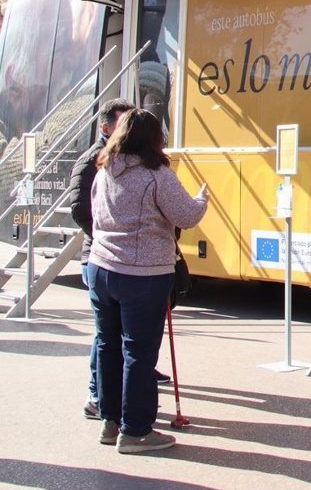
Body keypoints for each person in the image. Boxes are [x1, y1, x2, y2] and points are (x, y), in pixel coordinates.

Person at [87, 108, 207, 454]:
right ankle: (136, 431)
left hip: (101, 267)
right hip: (143, 274)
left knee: (108, 345)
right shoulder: (157, 175)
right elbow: (186, 215)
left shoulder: (105, 170)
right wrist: (202, 199)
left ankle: (110, 421)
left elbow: (95, 215)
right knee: (138, 353)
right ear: (155, 139)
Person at [66, 98, 135, 421]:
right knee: (105, 334)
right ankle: (96, 396)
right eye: (123, 123)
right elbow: (79, 208)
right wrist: (106, 234)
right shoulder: (93, 159)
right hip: (97, 255)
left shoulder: (124, 157)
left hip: (111, 256)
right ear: (106, 127)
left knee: (118, 332)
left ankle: (119, 390)